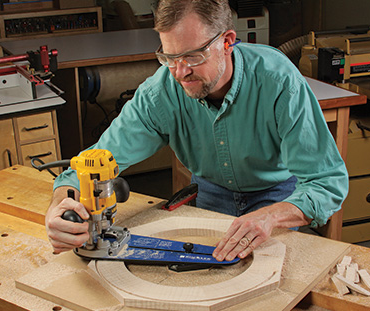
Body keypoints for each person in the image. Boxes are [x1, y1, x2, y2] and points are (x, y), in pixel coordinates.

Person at [45, 0, 348, 263]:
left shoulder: (279, 81)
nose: (179, 72)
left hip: (276, 196)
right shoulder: (160, 92)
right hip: (211, 192)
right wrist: (59, 208)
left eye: (192, 56)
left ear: (227, 42)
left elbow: (327, 183)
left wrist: (271, 216)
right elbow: (93, 163)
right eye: (169, 57)